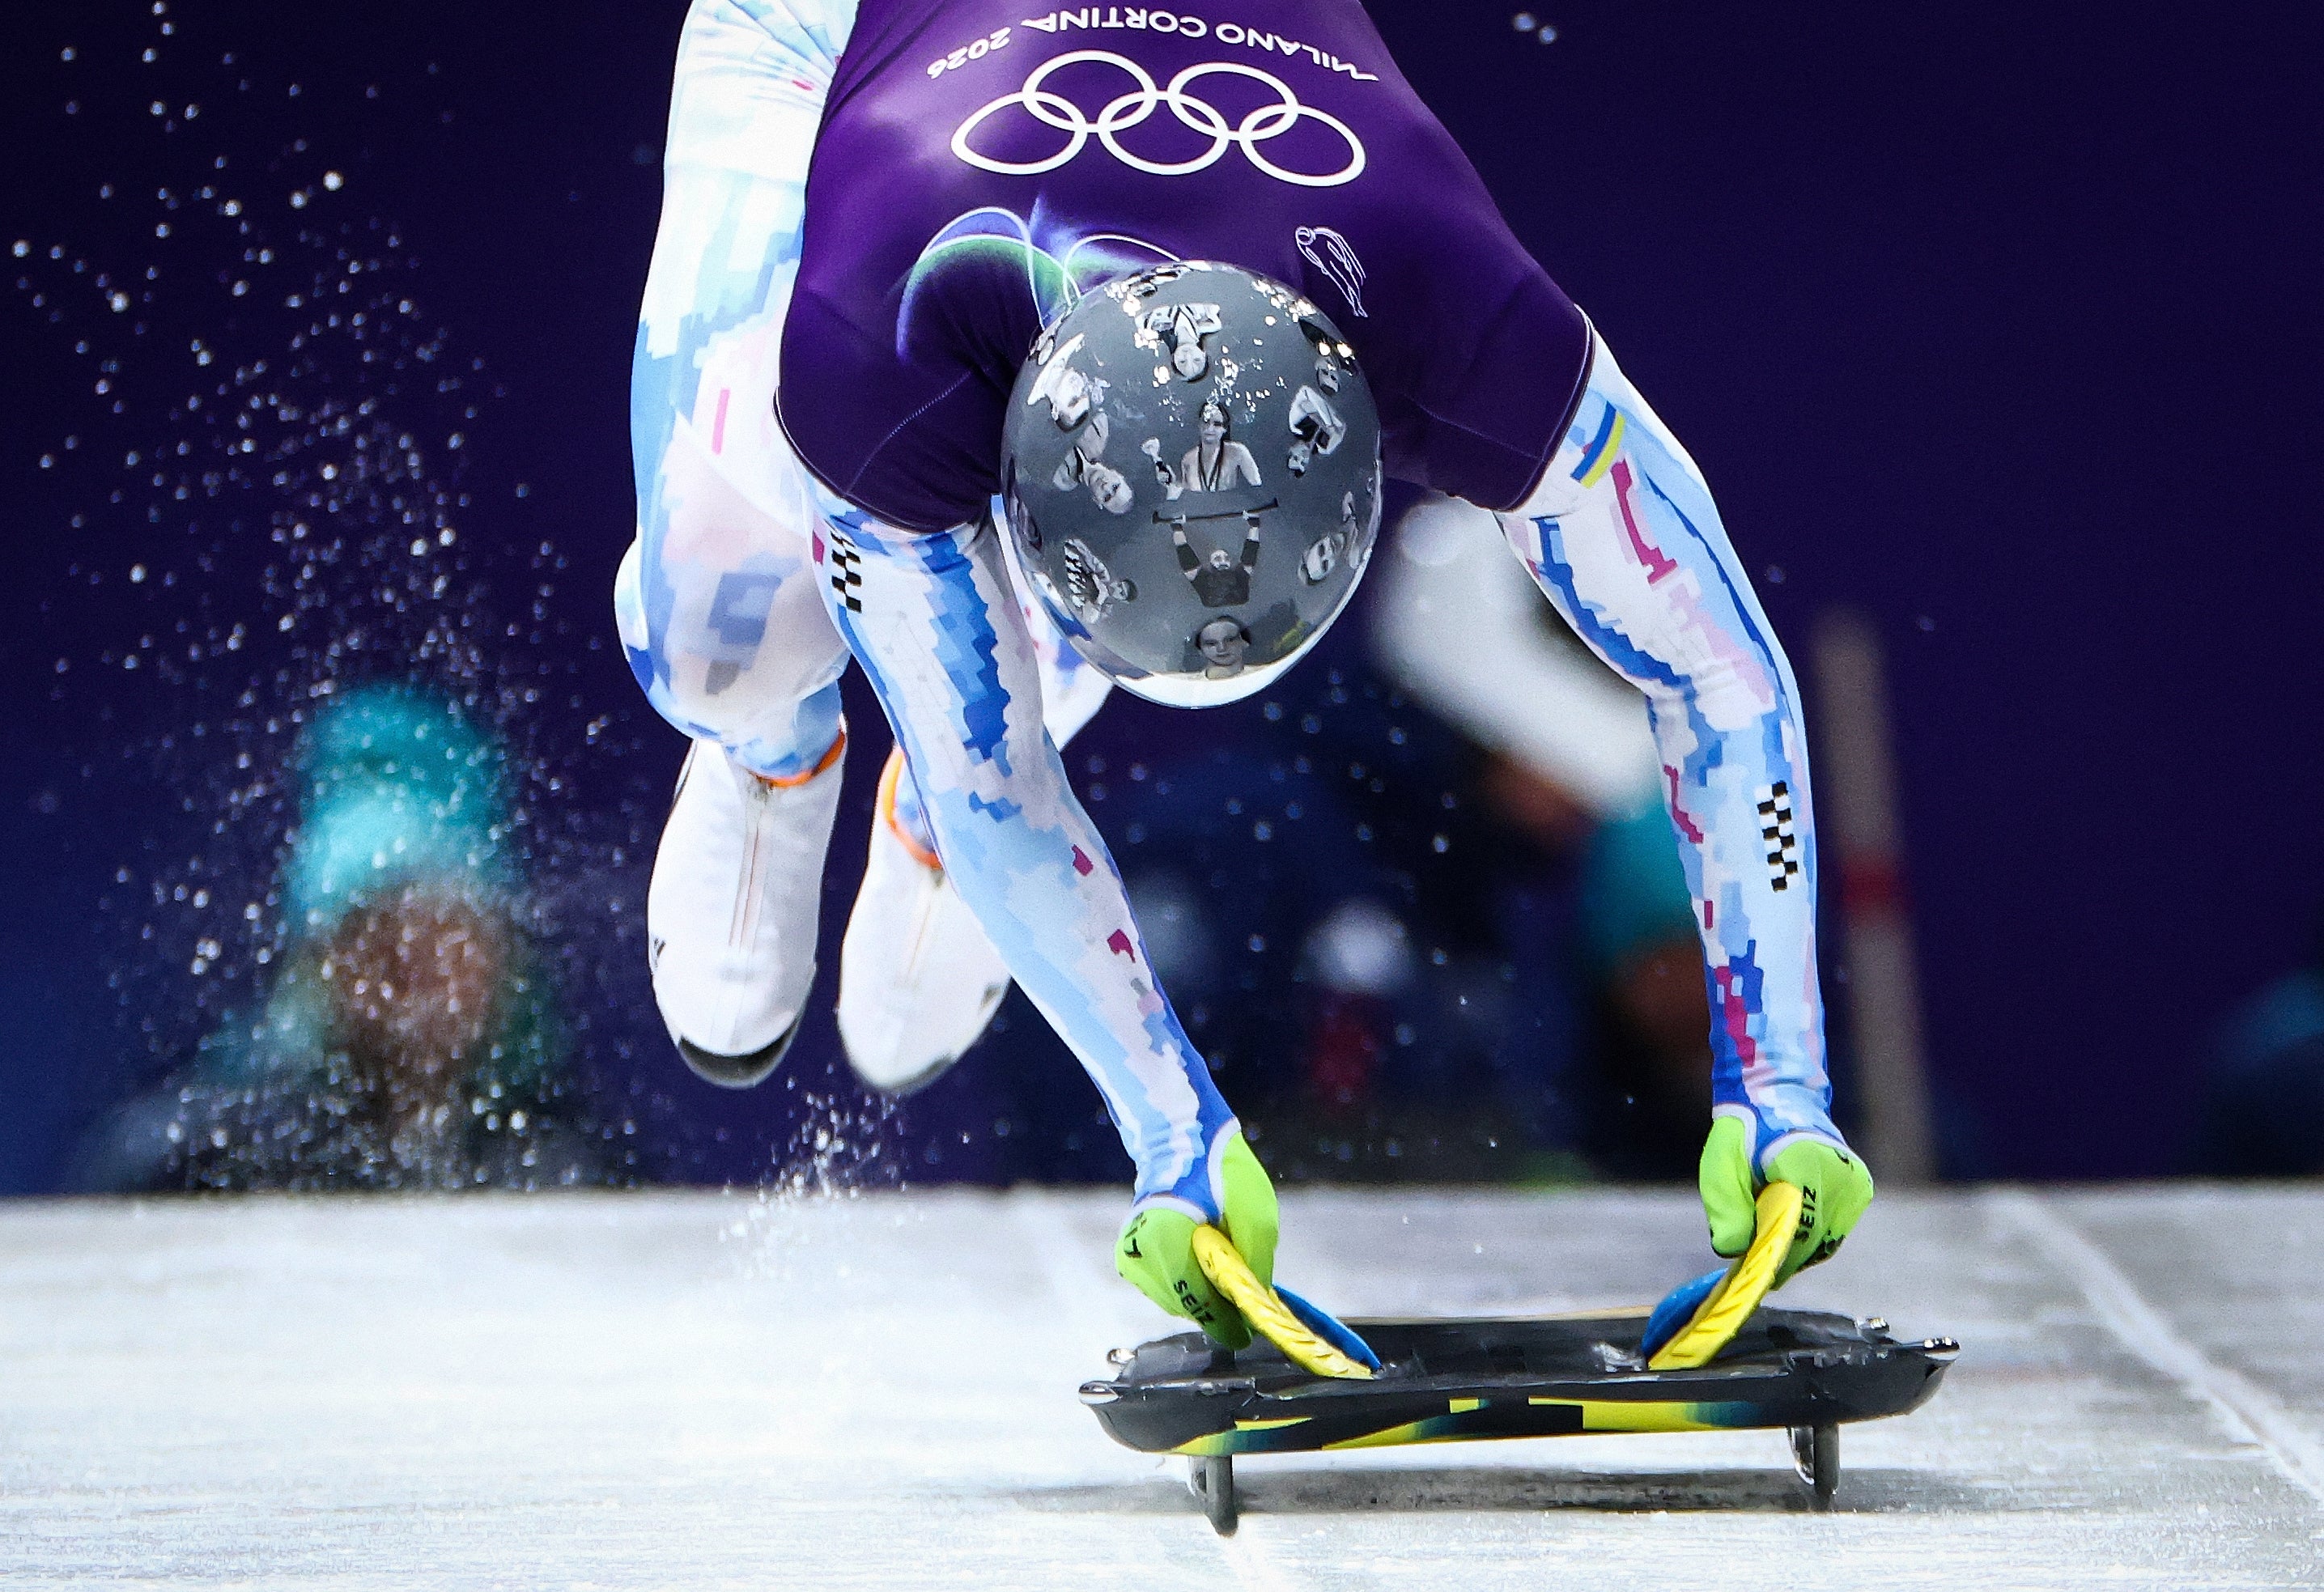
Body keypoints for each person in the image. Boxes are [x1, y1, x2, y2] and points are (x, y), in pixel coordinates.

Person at [618, 0, 1872, 1345]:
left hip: (1099, 142)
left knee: (1077, 667)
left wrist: (1782, 1084)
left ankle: (939, 798)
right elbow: (993, 769)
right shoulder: (882, 331)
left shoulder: (1458, 301)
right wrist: (1170, 1125)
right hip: (815, 37)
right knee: (724, 626)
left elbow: (1718, 671)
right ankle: (769, 754)